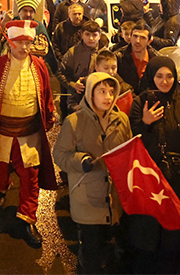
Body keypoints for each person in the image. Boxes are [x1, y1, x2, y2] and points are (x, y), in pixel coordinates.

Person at [0, 20, 58, 249]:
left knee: (31, 177)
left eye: (28, 43)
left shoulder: (39, 66)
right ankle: (1, 189)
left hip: (29, 133)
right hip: (3, 133)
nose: (24, 47)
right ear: (9, 42)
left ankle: (27, 218)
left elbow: (46, 94)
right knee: (0, 170)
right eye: (19, 42)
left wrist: (49, 116)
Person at [127, 56, 180, 274]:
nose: (165, 81)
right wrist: (145, 123)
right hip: (151, 178)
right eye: (159, 76)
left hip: (179, 178)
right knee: (150, 230)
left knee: (174, 231)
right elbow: (133, 139)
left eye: (169, 76)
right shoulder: (141, 102)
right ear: (151, 76)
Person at [53, 72, 132, 274]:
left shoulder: (122, 120)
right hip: (87, 199)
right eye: (102, 92)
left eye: (111, 92)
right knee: (91, 252)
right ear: (90, 93)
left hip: (113, 200)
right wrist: (80, 161)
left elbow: (129, 152)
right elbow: (60, 155)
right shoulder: (74, 122)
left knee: (108, 246)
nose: (108, 97)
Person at [57, 21, 102, 115]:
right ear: (82, 35)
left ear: (100, 36)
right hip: (76, 97)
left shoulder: (104, 53)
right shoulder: (73, 52)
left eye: (94, 35)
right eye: (87, 34)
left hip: (98, 96)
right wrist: (73, 85)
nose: (91, 38)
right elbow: (61, 73)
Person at [115, 21, 158, 94]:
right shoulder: (118, 57)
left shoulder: (156, 59)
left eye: (143, 38)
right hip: (126, 98)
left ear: (149, 41)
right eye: (135, 36)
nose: (137, 41)